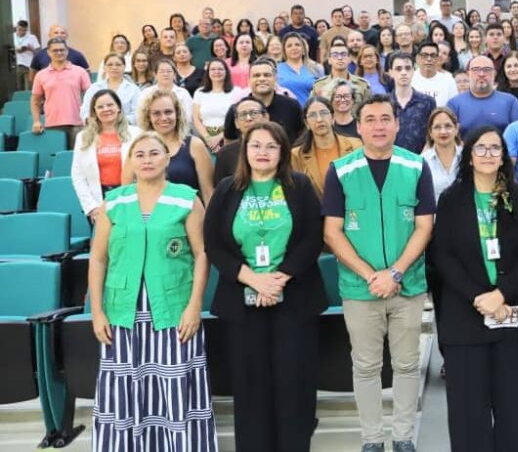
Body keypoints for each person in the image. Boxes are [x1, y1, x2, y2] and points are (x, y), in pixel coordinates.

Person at [322, 94, 436, 452]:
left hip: (408, 285)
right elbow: (332, 232)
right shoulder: (340, 170)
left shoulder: (416, 166)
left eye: (385, 118)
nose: (378, 126)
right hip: (360, 288)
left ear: (397, 124)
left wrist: (396, 273)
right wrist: (372, 275)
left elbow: (424, 226)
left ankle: (403, 437)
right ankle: (372, 439)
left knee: (406, 364)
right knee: (367, 366)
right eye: (370, 119)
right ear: (358, 127)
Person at [88, 132, 216, 450]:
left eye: (153, 153)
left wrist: (194, 306)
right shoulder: (114, 201)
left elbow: (202, 254)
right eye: (139, 154)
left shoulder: (185, 198)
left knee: (174, 386)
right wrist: (97, 311)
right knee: (124, 388)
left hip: (173, 309)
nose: (146, 159)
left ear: (167, 159)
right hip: (122, 312)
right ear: (130, 161)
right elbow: (98, 258)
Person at [204, 121, 327, 452]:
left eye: (271, 146)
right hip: (242, 302)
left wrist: (279, 278)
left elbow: (313, 237)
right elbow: (213, 244)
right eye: (256, 145)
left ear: (283, 152)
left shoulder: (298, 186)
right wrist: (252, 278)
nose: (263, 152)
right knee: (251, 386)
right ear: (244, 150)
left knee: (293, 384)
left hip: (294, 301)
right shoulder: (228, 189)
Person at [431, 125, 518, 452]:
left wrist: (502, 293)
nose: (488, 155)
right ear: (468, 156)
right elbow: (443, 256)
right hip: (466, 317)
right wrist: (478, 297)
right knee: (468, 415)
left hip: (510, 315)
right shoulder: (451, 199)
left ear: (504, 157)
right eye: (481, 148)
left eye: (495, 149)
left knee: (513, 411)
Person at [130, 90, 214, 203]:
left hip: (190, 216)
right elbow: (127, 190)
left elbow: (208, 192)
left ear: (177, 114)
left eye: (168, 112)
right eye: (156, 113)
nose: (164, 118)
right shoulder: (137, 147)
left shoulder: (195, 145)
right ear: (148, 116)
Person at [71, 90, 141, 221]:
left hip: (132, 198)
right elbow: (78, 175)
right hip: (99, 200)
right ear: (94, 111)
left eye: (110, 105)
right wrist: (91, 207)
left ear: (118, 107)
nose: (106, 109)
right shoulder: (83, 137)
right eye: (100, 107)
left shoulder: (137, 134)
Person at [290, 96, 362, 200]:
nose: (319, 119)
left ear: (333, 118)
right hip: (316, 213)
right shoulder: (296, 155)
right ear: (306, 123)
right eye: (313, 115)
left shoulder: (356, 145)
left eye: (324, 113)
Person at [223, 58, 304, 142]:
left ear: (275, 78)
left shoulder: (292, 106)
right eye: (256, 75)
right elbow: (229, 143)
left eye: (267, 75)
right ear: (249, 80)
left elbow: (302, 136)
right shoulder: (237, 110)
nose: (262, 79)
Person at [31, 37, 92, 145]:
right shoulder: (41, 75)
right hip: (52, 125)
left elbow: (91, 97)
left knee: (76, 159)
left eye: (62, 50)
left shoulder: (80, 72)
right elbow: (35, 101)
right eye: (55, 50)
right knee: (57, 159)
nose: (59, 52)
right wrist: (36, 121)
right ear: (48, 53)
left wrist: (89, 118)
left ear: (67, 51)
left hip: (77, 124)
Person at [448, 55, 518, 137]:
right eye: (476, 70)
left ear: (494, 74)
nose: (481, 74)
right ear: (468, 74)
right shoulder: (454, 104)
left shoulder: (510, 102)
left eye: (487, 70)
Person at [386, 52, 436, 154]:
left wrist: (422, 158)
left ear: (414, 71)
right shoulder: (384, 103)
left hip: (420, 161)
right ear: (391, 72)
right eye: (398, 69)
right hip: (390, 162)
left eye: (408, 68)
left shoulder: (427, 102)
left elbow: (433, 133)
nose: (404, 72)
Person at [213, 97, 267, 185]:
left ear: (266, 117)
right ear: (236, 123)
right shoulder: (225, 153)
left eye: (254, 113)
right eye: (243, 115)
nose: (248, 118)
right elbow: (219, 188)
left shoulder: (278, 148)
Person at [193, 58, 243, 154]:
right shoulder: (200, 92)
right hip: (206, 139)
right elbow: (196, 119)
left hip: (230, 137)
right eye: (213, 69)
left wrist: (220, 137)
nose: (216, 72)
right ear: (208, 72)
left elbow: (238, 118)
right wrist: (208, 138)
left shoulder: (236, 92)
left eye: (220, 69)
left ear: (226, 72)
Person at [81, 53, 141, 125]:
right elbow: (85, 109)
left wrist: (117, 122)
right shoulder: (94, 88)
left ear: (124, 67)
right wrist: (97, 122)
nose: (114, 67)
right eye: (110, 65)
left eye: (118, 64)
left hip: (125, 128)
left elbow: (137, 112)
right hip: (98, 128)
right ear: (104, 67)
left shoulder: (133, 89)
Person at [312, 40, 371, 107]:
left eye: (343, 54)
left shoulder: (362, 85)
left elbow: (369, 109)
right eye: (335, 55)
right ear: (329, 60)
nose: (340, 58)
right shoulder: (318, 85)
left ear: (349, 59)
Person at [139, 59, 193, 128]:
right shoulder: (147, 92)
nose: (165, 74)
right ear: (155, 75)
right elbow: (141, 114)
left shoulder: (183, 93)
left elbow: (188, 117)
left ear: (174, 74)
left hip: (178, 129)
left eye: (169, 71)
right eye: (161, 71)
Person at [276, 33, 321, 105]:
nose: (294, 48)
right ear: (284, 51)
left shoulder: (316, 69)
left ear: (303, 49)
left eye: (297, 45)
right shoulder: (276, 69)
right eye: (289, 46)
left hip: (310, 113)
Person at [412, 41, 459, 106]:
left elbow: (453, 107)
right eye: (424, 55)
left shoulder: (448, 80)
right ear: (417, 58)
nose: (429, 59)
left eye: (433, 55)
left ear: (437, 59)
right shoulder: (410, 79)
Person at [13, 19, 39, 90]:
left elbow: (38, 53)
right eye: (20, 29)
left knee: (29, 88)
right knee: (18, 88)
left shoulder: (31, 37)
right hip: (15, 66)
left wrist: (31, 49)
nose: (22, 32)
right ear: (16, 28)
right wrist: (16, 49)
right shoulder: (12, 37)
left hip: (28, 66)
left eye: (24, 30)